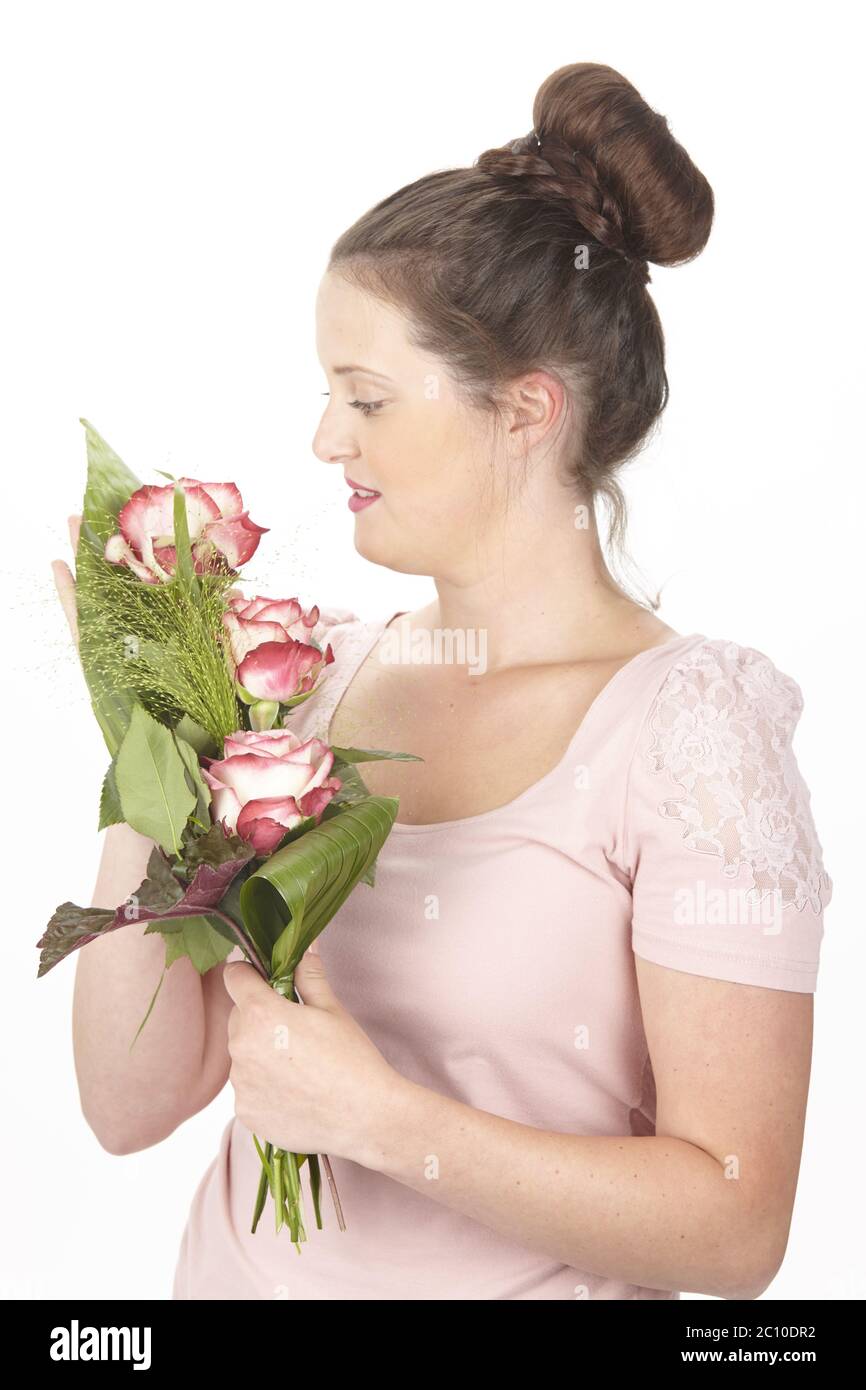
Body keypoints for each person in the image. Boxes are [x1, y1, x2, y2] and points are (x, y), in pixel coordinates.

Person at [53, 61, 833, 1301]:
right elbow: (128, 1107)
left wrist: (377, 1119)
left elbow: (736, 1231)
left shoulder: (688, 735)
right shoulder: (294, 688)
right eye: (326, 394)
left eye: (364, 396)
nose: (324, 438)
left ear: (524, 411)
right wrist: (145, 717)